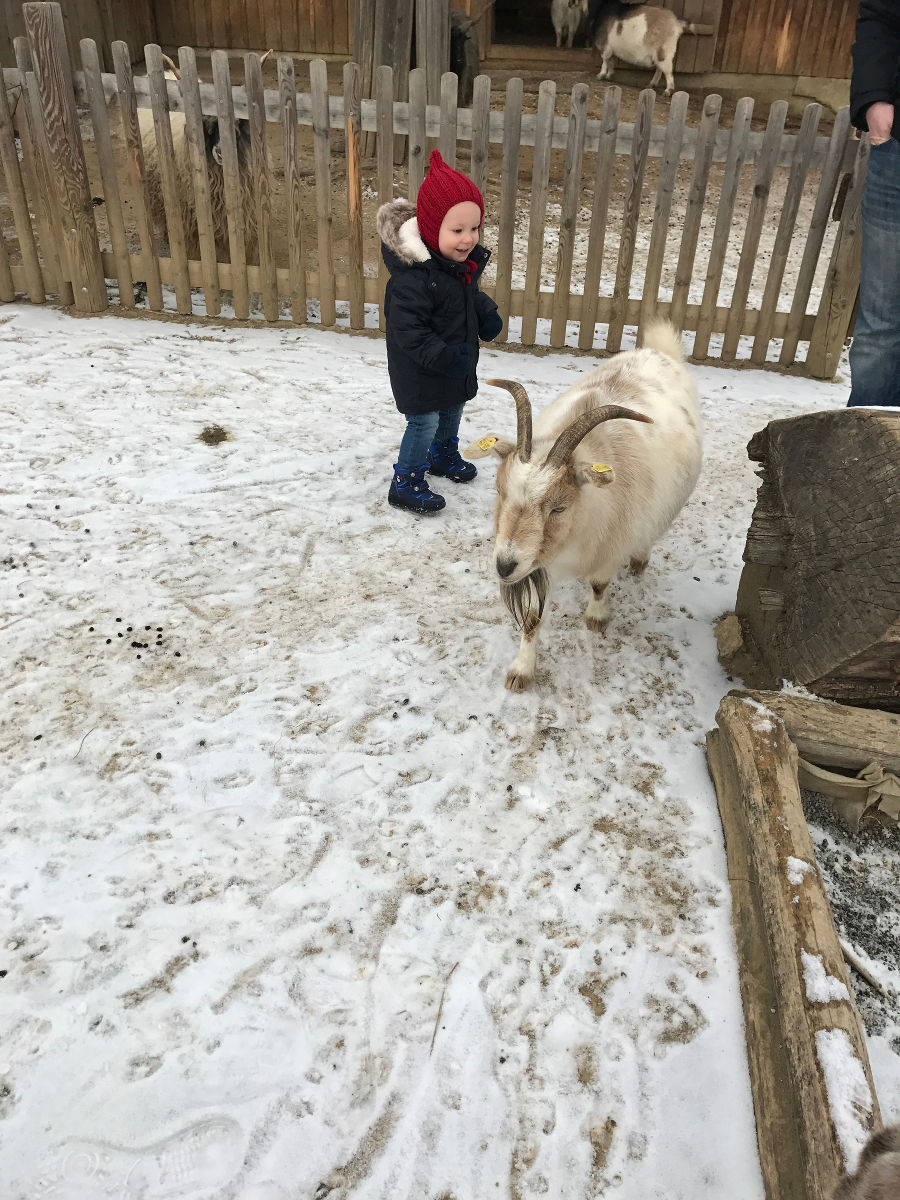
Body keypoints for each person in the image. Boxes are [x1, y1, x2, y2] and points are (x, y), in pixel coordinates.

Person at [377, 150, 503, 513]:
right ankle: (407, 479)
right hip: (420, 370)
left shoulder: (455, 268)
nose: (468, 239)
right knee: (424, 421)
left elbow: (466, 299)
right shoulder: (411, 281)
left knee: (452, 409)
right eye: (457, 230)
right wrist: (446, 357)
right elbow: (409, 332)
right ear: (432, 229)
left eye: (474, 228)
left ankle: (442, 453)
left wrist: (486, 314)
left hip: (452, 365)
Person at [848, 0, 900, 408]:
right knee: (879, 322)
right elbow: (880, 16)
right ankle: (861, 452)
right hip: (898, 150)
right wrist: (873, 99)